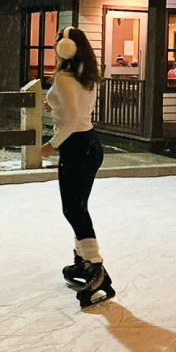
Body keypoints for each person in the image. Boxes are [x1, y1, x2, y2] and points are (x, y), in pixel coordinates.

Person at [41, 26, 115, 308]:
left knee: (73, 208)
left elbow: (71, 121)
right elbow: (78, 111)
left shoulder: (63, 77)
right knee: (78, 206)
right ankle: (83, 261)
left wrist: (51, 145)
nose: (56, 43)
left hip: (75, 146)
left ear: (65, 49)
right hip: (91, 145)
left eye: (58, 39)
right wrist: (55, 108)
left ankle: (95, 268)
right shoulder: (87, 77)